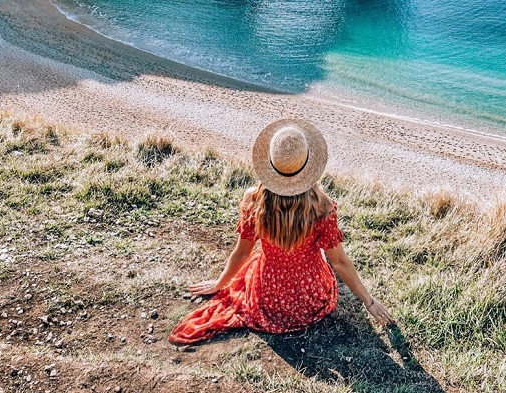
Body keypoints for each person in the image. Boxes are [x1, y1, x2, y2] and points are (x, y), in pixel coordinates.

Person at [168, 117, 393, 346]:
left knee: (260, 256)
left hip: (269, 299)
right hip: (311, 301)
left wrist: (219, 283)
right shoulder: (322, 206)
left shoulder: (254, 200)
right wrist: (369, 301)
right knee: (322, 254)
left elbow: (242, 253)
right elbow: (340, 262)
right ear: (308, 167)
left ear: (271, 164)